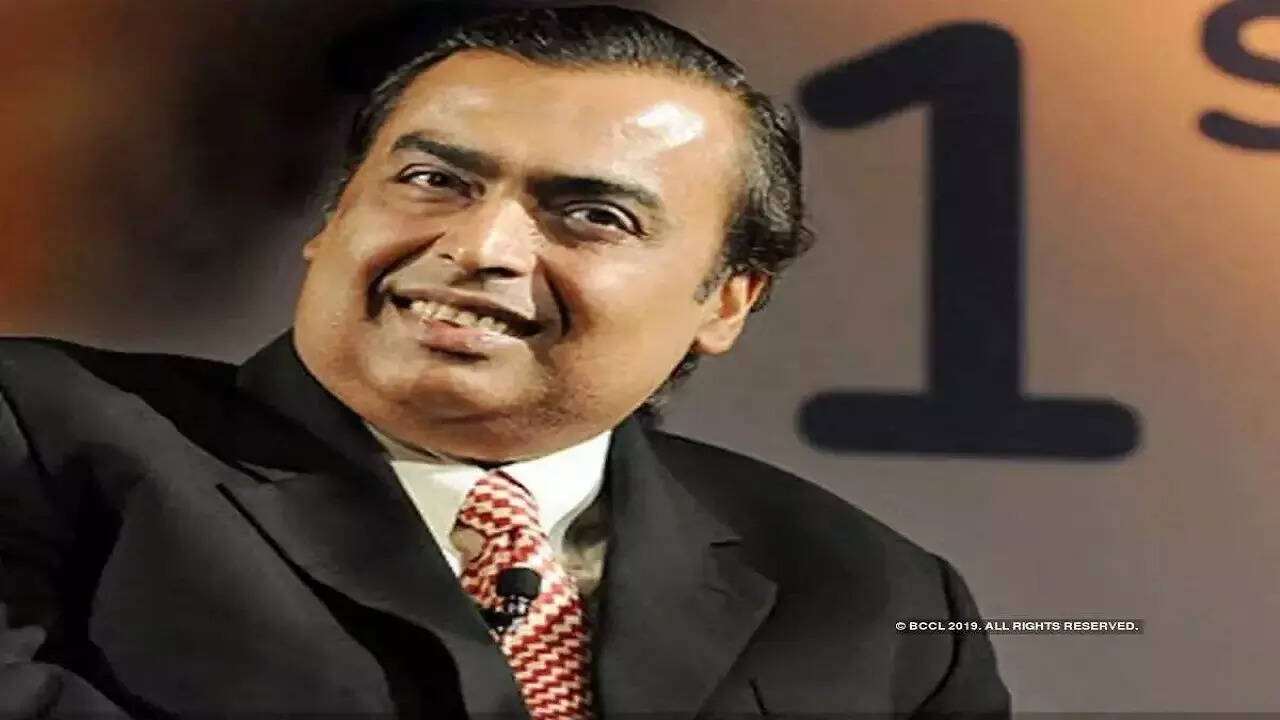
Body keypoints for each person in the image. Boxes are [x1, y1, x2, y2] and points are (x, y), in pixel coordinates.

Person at [0, 5, 1009, 718]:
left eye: (593, 214)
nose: (480, 247)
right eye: (433, 180)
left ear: (726, 300)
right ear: (333, 217)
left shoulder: (879, 600)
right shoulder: (38, 435)